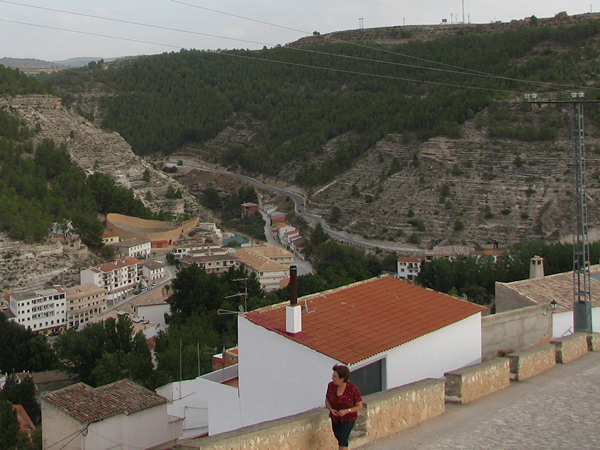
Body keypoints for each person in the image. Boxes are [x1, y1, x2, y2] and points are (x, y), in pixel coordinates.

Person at [325, 364, 363, 450]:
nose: (332, 378)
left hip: (348, 418)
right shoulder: (331, 386)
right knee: (340, 438)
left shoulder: (353, 389)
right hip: (335, 418)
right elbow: (327, 401)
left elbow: (359, 406)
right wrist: (331, 410)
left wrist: (347, 411)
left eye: (335, 377)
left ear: (342, 379)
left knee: (343, 439)